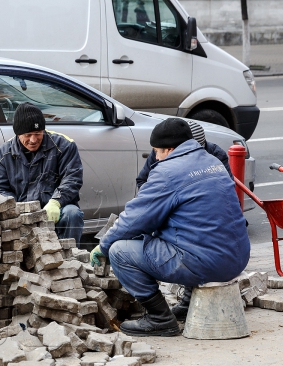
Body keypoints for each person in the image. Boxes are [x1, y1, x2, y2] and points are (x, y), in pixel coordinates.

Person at [90, 118, 250, 337]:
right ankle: (187, 304)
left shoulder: (167, 172)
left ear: (171, 149)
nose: (155, 157)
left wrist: (104, 245)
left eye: (157, 151)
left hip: (208, 263)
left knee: (120, 251)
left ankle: (160, 319)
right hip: (237, 257)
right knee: (183, 231)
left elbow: (135, 218)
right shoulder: (212, 161)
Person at [135, 119, 233, 322]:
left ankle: (164, 316)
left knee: (191, 242)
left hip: (202, 219)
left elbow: (222, 192)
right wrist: (155, 198)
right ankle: (181, 302)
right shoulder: (160, 153)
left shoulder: (214, 156)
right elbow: (142, 181)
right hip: (168, 208)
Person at [0, 103, 85, 245]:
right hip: (21, 213)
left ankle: (70, 258)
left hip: (57, 209)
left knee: (72, 213)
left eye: (38, 133)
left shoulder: (64, 146)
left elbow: (73, 179)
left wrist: (56, 202)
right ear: (17, 134)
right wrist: (16, 209)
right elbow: (0, 189)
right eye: (28, 135)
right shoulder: (2, 154)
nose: (33, 140)